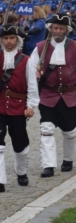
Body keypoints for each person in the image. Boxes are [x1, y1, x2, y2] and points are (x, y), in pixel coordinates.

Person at [0, 24, 39, 193]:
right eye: (6, 38)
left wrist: (30, 105)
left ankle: (21, 172)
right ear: (1, 41)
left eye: (12, 38)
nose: (8, 42)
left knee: (20, 143)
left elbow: (32, 85)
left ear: (17, 40)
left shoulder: (25, 60)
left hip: (17, 108)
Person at [30, 13, 76, 178]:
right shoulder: (40, 47)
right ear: (51, 29)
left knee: (70, 132)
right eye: (55, 28)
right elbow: (30, 70)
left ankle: (68, 159)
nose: (58, 31)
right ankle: (48, 165)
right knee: (47, 129)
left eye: (61, 28)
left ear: (66, 30)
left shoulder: (74, 47)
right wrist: (35, 74)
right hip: (48, 95)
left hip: (70, 95)